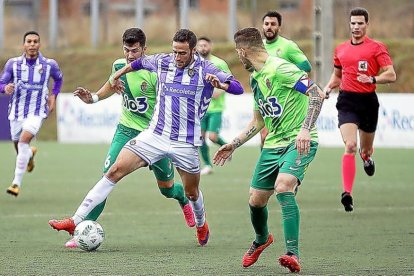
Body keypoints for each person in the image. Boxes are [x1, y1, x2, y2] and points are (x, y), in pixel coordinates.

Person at [49, 29, 244, 246]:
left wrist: (222, 84)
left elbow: (238, 87)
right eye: (174, 52)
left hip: (185, 142)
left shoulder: (207, 68)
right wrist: (117, 75)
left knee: (191, 192)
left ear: (192, 51)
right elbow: (138, 64)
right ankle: (74, 220)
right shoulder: (163, 61)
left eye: (182, 53)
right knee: (113, 171)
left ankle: (201, 223)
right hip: (154, 135)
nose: (177, 58)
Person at [62, 28, 196, 248]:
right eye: (126, 50)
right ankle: (82, 230)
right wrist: (93, 98)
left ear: (145, 49)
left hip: (154, 136)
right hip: (126, 130)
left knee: (167, 189)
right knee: (108, 176)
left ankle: (182, 200)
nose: (130, 55)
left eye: (135, 50)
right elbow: (111, 84)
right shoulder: (118, 65)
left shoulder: (155, 73)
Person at [213, 27, 324, 273]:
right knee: (255, 200)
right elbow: (258, 121)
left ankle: (292, 253)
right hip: (273, 145)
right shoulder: (256, 77)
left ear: (242, 51)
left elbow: (318, 94)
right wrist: (234, 143)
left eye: (237, 53)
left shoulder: (282, 68)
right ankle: (262, 239)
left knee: (284, 185)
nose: (238, 58)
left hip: (299, 141)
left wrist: (305, 129)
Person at [323, 7, 396, 212]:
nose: (356, 27)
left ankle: (367, 158)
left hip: (368, 102)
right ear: (349, 24)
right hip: (347, 101)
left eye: (360, 23)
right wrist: (328, 87)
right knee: (350, 146)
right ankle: (347, 194)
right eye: (353, 23)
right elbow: (337, 76)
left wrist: (373, 78)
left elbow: (391, 75)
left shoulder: (376, 48)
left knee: (364, 150)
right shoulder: (341, 49)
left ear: (366, 24)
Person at [0, 31, 63, 197]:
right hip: (16, 111)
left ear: (39, 44)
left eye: (35, 41)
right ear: (24, 44)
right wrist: (5, 88)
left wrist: (53, 96)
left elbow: (58, 79)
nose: (32, 44)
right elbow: (2, 82)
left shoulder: (49, 64)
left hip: (36, 111)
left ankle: (15, 184)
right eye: (29, 41)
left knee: (23, 141)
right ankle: (29, 154)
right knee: (19, 145)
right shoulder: (13, 64)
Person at [260, 11, 312, 149]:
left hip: (286, 100)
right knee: (264, 137)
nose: (269, 27)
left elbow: (306, 66)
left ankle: (288, 167)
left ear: (279, 27)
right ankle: (271, 169)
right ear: (262, 26)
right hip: (266, 99)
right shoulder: (259, 47)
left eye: (273, 24)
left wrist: (284, 73)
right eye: (266, 24)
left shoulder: (287, 46)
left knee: (285, 138)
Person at [196, 36, 232, 175]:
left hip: (215, 108)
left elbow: (229, 81)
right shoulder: (195, 63)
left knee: (212, 137)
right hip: (200, 109)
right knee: (200, 137)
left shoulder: (219, 63)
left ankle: (226, 147)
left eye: (205, 45)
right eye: (200, 46)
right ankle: (207, 165)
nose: (203, 48)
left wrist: (219, 90)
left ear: (210, 46)